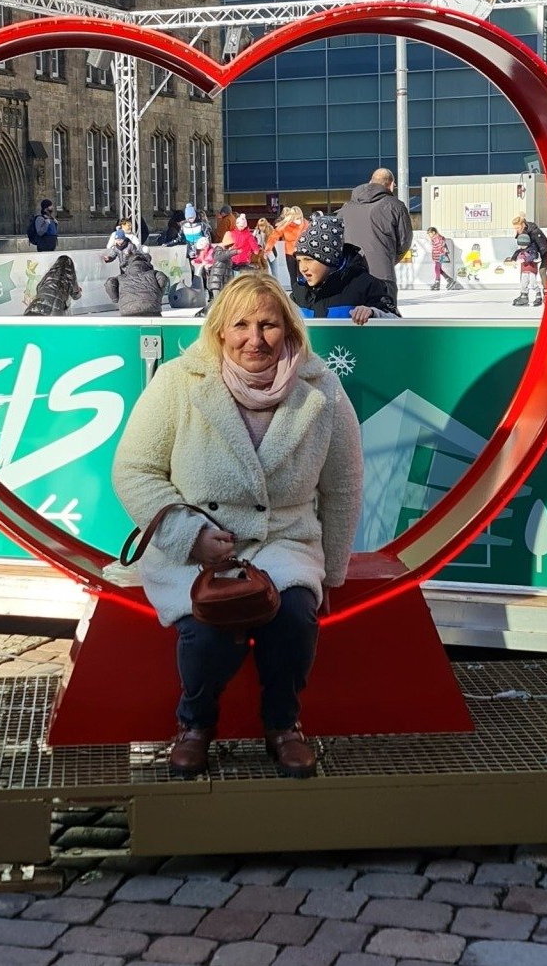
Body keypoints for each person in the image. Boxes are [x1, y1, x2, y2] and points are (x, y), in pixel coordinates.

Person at [110, 273, 363, 782]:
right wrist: (189, 536)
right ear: (220, 330)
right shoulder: (179, 382)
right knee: (208, 627)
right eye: (241, 325)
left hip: (282, 538)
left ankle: (283, 725)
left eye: (268, 325)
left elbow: (343, 486)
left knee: (294, 616)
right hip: (194, 542)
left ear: (288, 328)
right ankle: (195, 725)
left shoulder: (322, 391)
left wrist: (331, 575)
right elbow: (134, 469)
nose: (255, 338)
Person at [290, 213, 398, 324]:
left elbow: (396, 321)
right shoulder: (299, 292)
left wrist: (373, 313)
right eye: (299, 261)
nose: (302, 268)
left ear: (328, 259)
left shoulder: (365, 285)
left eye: (308, 260)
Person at [340, 169, 413, 310]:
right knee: (384, 317)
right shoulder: (396, 206)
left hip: (350, 277)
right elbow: (404, 242)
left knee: (353, 318)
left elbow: (338, 242)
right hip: (382, 276)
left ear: (370, 182)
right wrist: (388, 260)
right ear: (391, 185)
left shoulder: (345, 210)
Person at [104, 234, 165, 316]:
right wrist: (159, 296)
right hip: (152, 308)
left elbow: (110, 283)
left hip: (127, 309)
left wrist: (117, 299)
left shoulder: (121, 278)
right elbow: (163, 279)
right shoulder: (153, 274)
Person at [511, 214, 547, 307]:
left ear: (523, 225)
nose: (516, 230)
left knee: (542, 271)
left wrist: (536, 257)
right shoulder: (522, 231)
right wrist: (515, 258)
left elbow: (543, 246)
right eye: (515, 228)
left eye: (517, 228)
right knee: (525, 272)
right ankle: (524, 296)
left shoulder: (535, 231)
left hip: (546, 251)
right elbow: (521, 245)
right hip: (533, 251)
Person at [429, 227, 462, 292]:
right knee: (439, 269)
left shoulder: (437, 238)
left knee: (437, 269)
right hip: (438, 256)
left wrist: (441, 254)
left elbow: (440, 247)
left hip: (439, 256)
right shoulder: (436, 238)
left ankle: (437, 283)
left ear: (433, 232)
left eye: (429, 233)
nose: (429, 235)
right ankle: (449, 280)